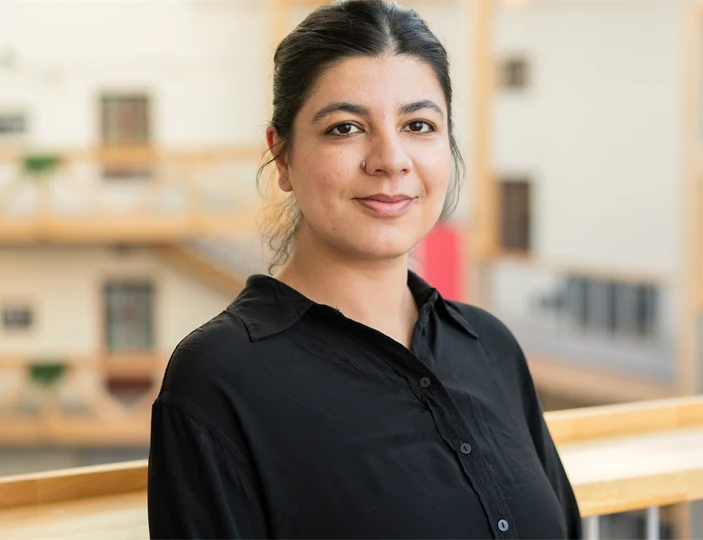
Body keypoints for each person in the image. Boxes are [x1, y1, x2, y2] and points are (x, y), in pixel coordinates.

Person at [147, 1, 581, 538]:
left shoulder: (489, 346)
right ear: (282, 157)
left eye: (419, 124)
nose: (390, 159)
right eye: (346, 128)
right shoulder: (221, 376)